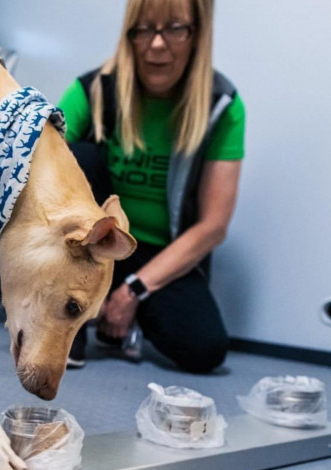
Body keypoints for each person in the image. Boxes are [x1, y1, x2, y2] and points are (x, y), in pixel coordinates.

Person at [58, 0, 245, 373]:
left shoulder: (222, 105)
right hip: (92, 243)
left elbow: (213, 226)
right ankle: (69, 321)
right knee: (75, 154)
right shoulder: (93, 88)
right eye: (144, 30)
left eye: (175, 28)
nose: (157, 45)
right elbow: (37, 165)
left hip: (159, 255)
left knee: (205, 349)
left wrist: (133, 290)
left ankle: (123, 314)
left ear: (198, 34)